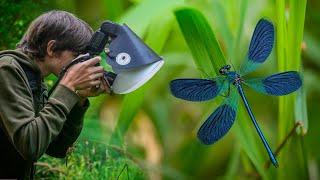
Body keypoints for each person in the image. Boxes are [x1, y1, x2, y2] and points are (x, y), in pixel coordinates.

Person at [0, 10, 108, 179]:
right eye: (76, 56)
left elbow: (56, 148)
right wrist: (68, 86)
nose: (80, 65)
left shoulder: (34, 78)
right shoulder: (7, 70)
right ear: (51, 48)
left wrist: (78, 98)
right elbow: (30, 146)